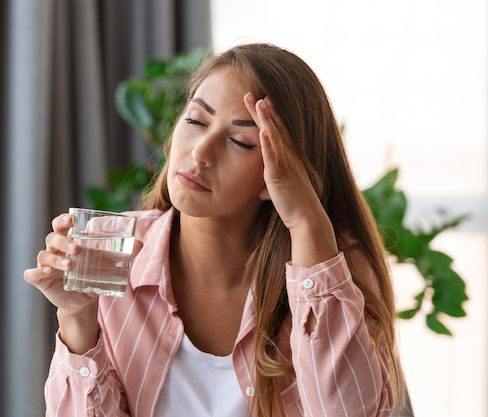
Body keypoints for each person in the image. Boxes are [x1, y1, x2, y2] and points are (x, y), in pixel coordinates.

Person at [24, 42, 406, 417]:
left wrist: (307, 221)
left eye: (240, 141)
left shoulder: (333, 270)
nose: (200, 153)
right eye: (195, 120)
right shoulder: (111, 250)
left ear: (282, 174)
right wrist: (78, 317)